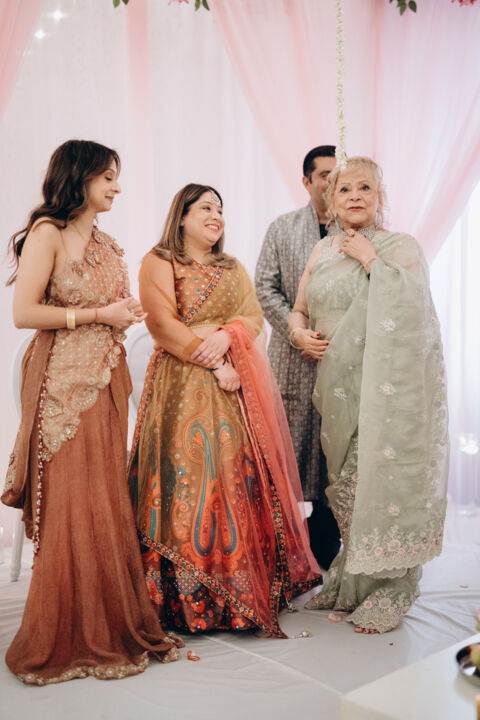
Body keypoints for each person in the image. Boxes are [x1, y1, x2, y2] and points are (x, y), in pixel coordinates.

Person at [1, 140, 182, 685]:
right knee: (73, 499)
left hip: (105, 381)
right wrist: (99, 314)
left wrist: (121, 314)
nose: (116, 187)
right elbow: (23, 312)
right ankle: (67, 630)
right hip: (61, 385)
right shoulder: (48, 233)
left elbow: (105, 309)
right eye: (108, 177)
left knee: (103, 495)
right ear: (79, 178)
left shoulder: (102, 240)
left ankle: (108, 618)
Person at [128, 183, 321, 638]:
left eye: (220, 209)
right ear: (181, 216)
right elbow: (162, 324)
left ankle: (239, 588)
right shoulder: (159, 261)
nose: (216, 216)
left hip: (233, 390)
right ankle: (183, 596)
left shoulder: (231, 267)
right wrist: (216, 362)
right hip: (181, 384)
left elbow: (252, 319)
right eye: (205, 208)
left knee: (234, 476)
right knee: (185, 479)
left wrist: (225, 334)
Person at [289, 156, 449, 633]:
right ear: (330, 198)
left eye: (365, 188)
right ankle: (353, 580)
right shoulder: (321, 250)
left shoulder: (400, 247)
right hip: (336, 390)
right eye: (345, 189)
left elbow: (415, 308)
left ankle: (391, 587)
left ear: (380, 197)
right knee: (346, 488)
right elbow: (299, 309)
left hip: (386, 392)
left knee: (380, 481)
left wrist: (370, 260)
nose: (355, 196)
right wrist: (298, 335)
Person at [255, 145, 341, 570]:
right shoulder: (283, 228)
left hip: (342, 358)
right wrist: (297, 334)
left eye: (337, 174)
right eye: (323, 174)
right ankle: (281, 543)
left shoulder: (357, 231)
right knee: (287, 445)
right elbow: (264, 287)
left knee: (334, 446)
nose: (331, 182)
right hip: (292, 360)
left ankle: (327, 537)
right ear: (306, 181)